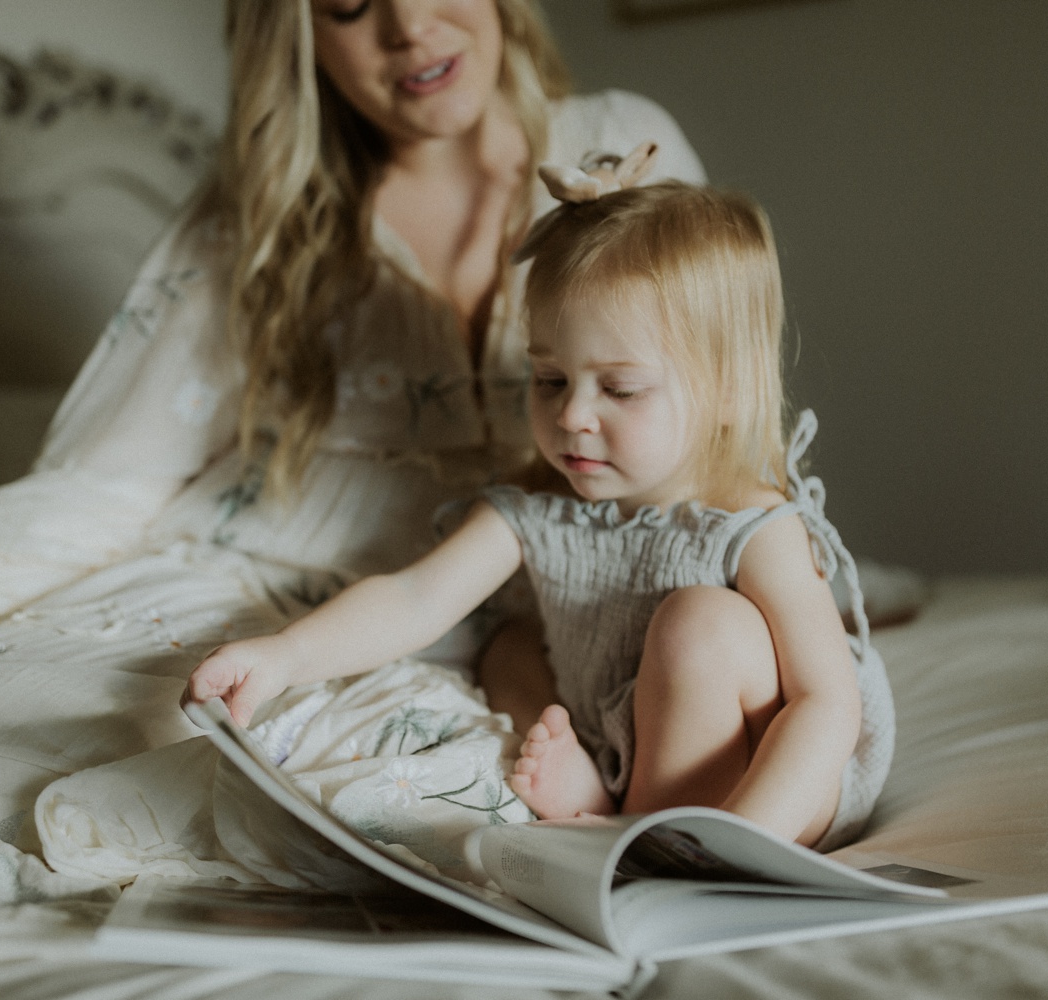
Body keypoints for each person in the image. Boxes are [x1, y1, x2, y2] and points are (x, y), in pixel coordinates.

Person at [0, 0, 706, 855]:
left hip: (555, 617)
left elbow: (709, 404)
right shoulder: (263, 213)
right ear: (296, 34)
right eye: (346, 4)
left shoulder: (626, 146)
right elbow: (102, 485)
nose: (408, 26)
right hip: (268, 585)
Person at [185, 165, 894, 849]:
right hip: (626, 741)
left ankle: (647, 841)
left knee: (699, 622)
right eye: (550, 378)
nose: (573, 415)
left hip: (770, 784)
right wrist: (284, 657)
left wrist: (750, 837)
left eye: (618, 390)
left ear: (728, 394)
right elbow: (413, 599)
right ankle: (610, 799)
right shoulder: (539, 508)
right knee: (508, 643)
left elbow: (825, 705)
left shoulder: (753, 525)